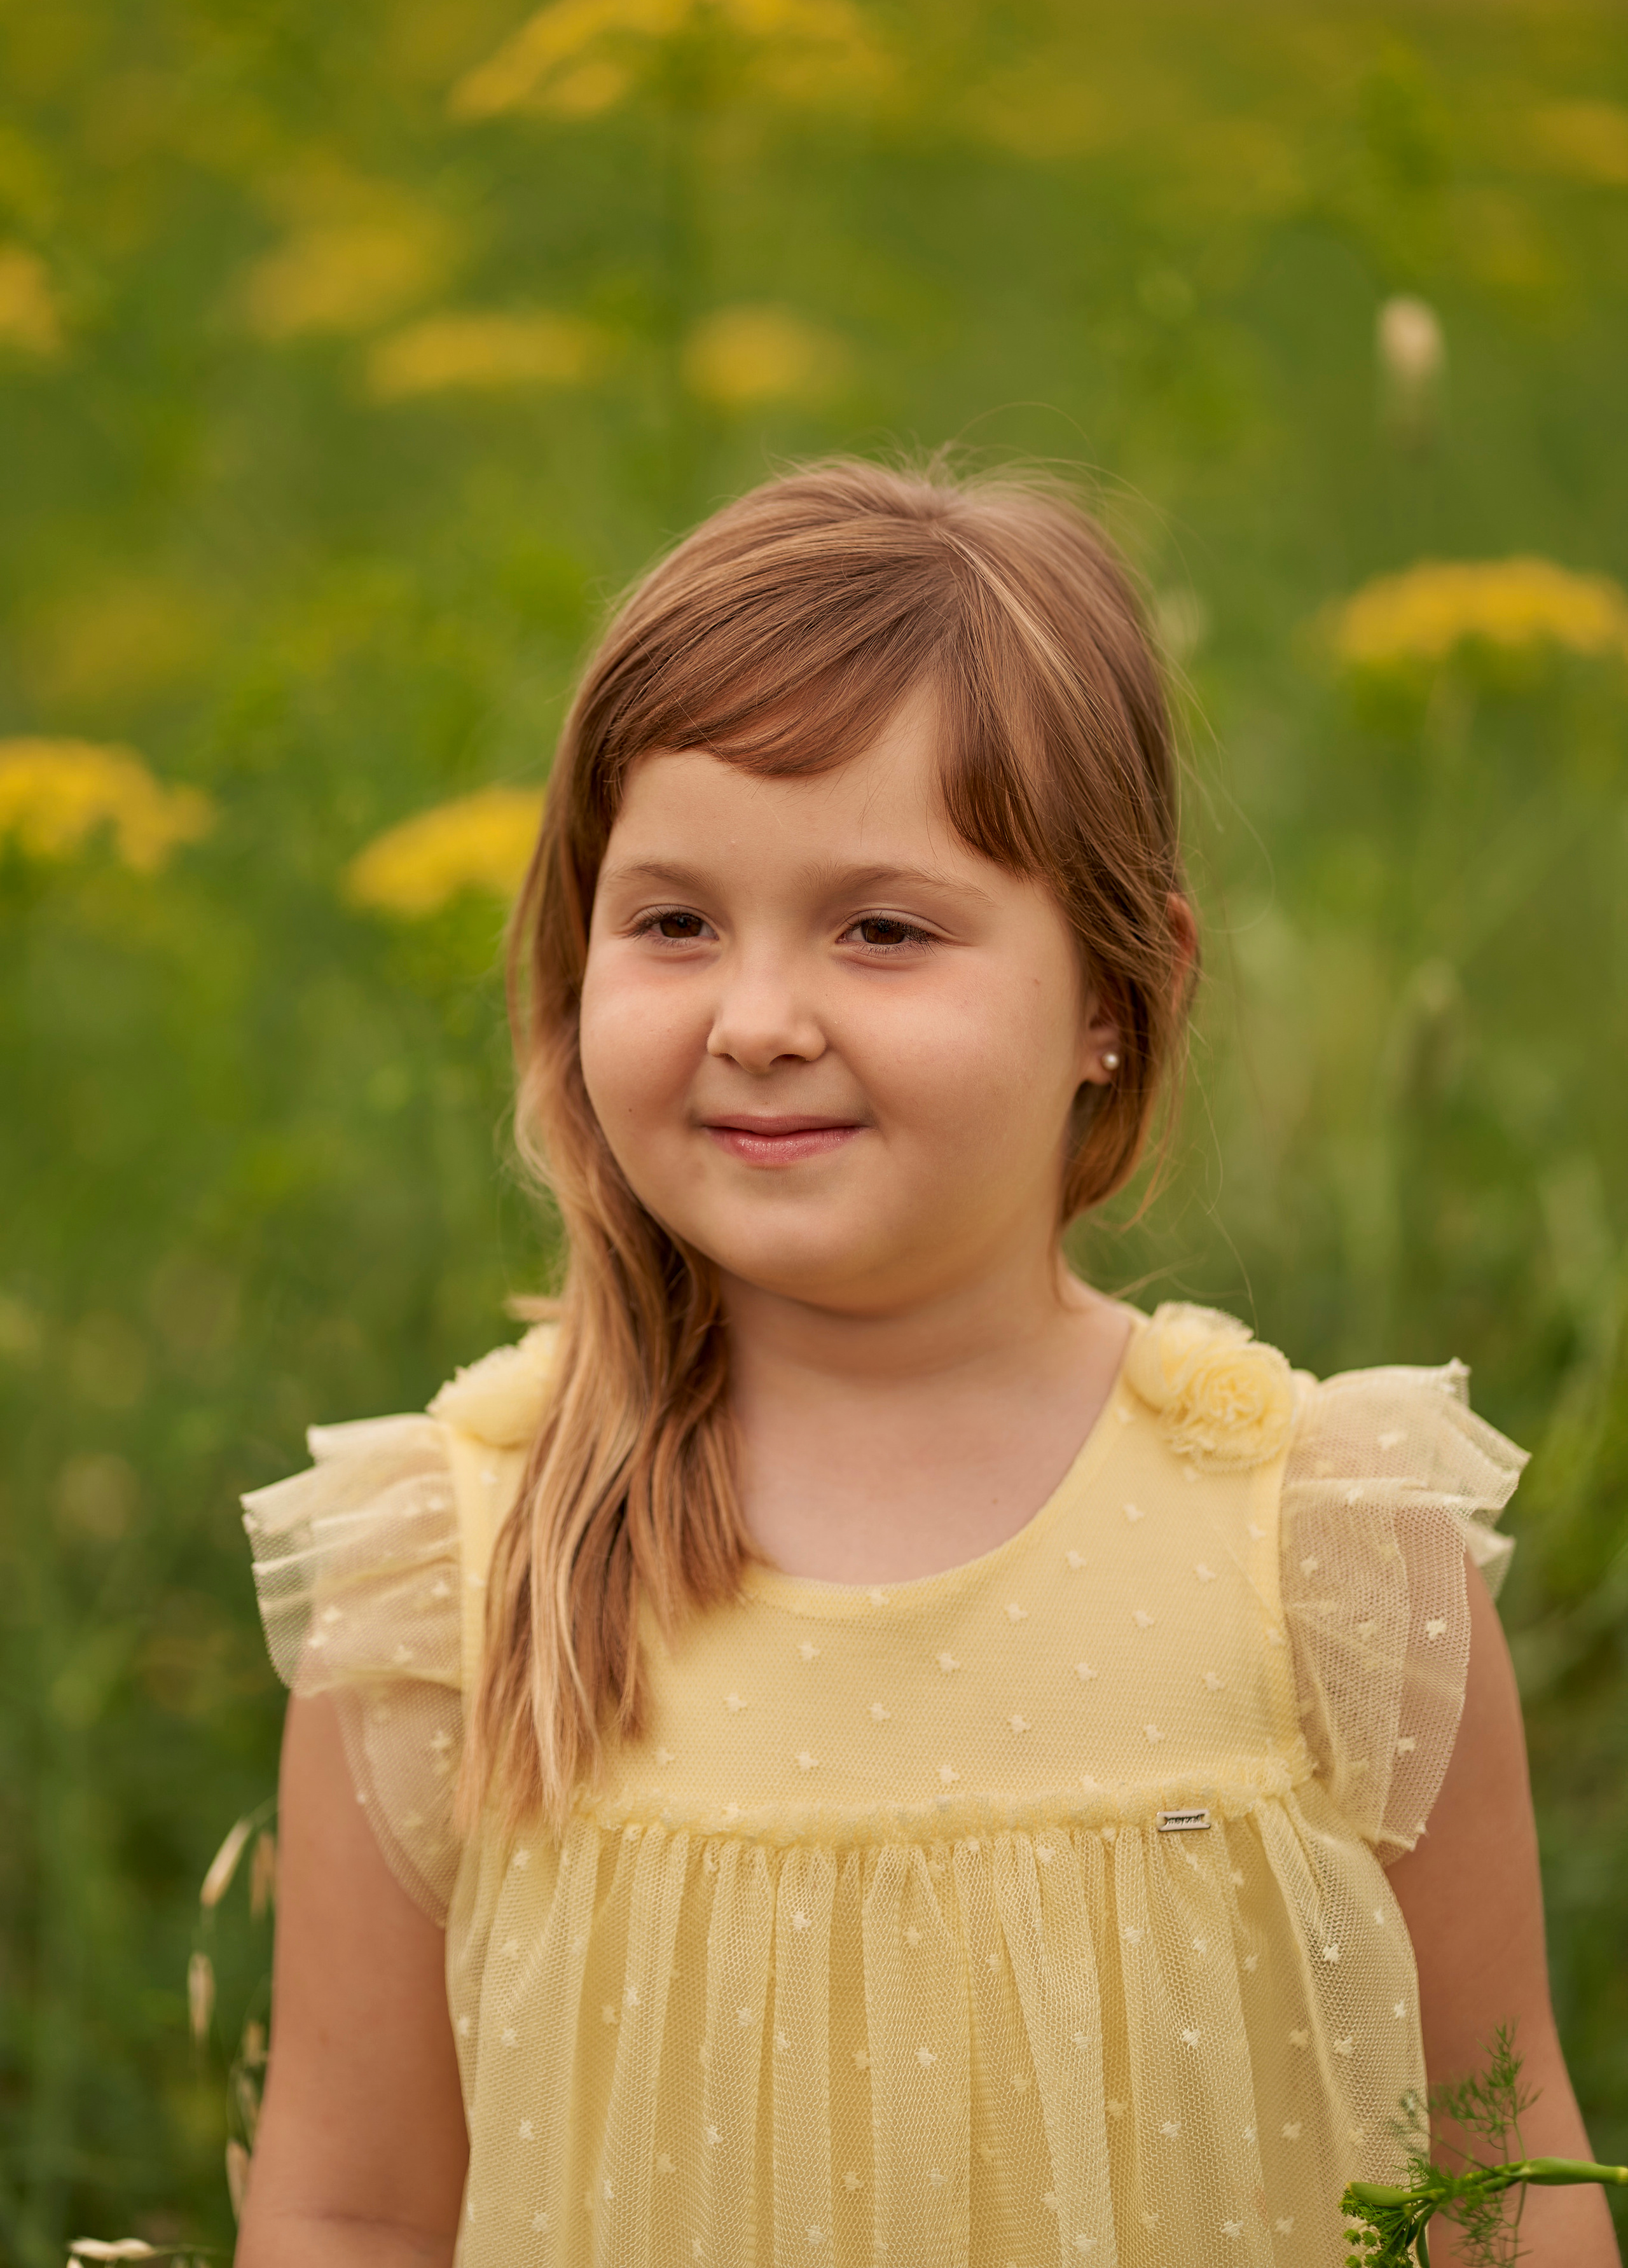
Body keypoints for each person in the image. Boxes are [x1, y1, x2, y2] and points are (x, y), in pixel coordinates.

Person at [235, 460, 1615, 2268]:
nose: (758, 1018)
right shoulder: (451, 1580)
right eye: (671, 923)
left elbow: (1501, 2188)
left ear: (1121, 994)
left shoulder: (1331, 1552)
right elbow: (350, 2213)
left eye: (883, 930)